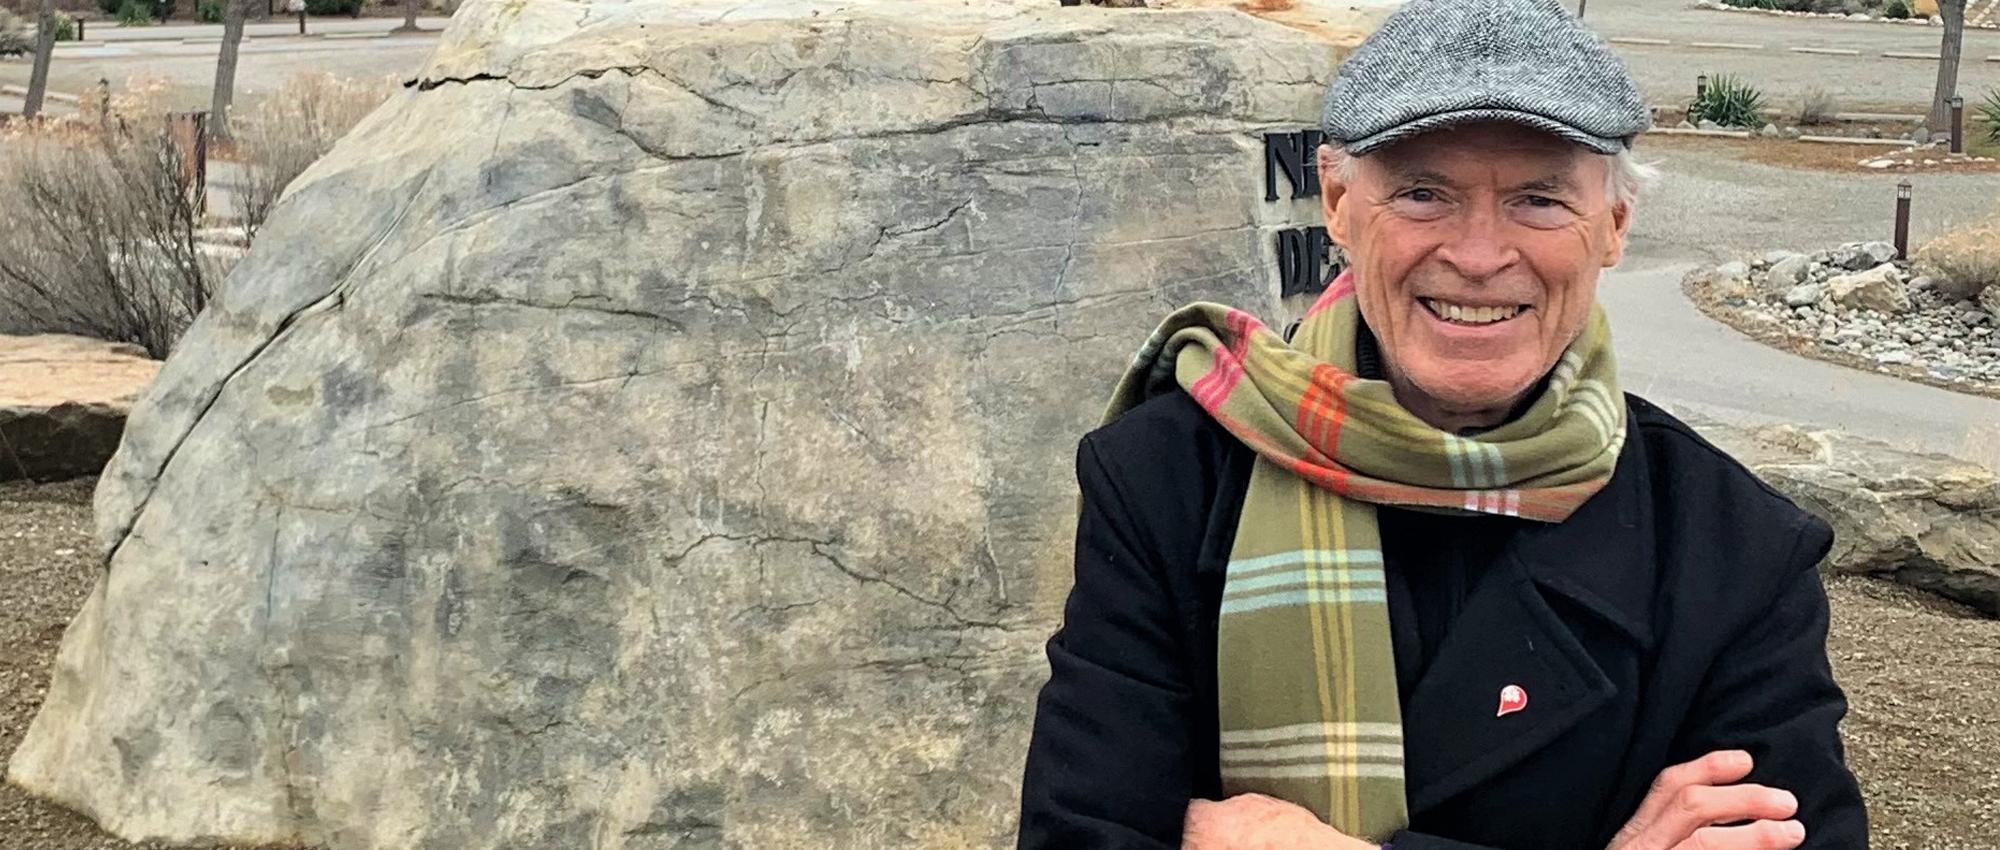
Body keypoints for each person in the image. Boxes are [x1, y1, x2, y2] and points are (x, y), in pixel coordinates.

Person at [1015, 1, 1869, 848]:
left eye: (1538, 200)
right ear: (1340, 204)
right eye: (1424, 193)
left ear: (1612, 227)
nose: (1478, 255)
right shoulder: (1167, 480)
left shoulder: (1736, 548)